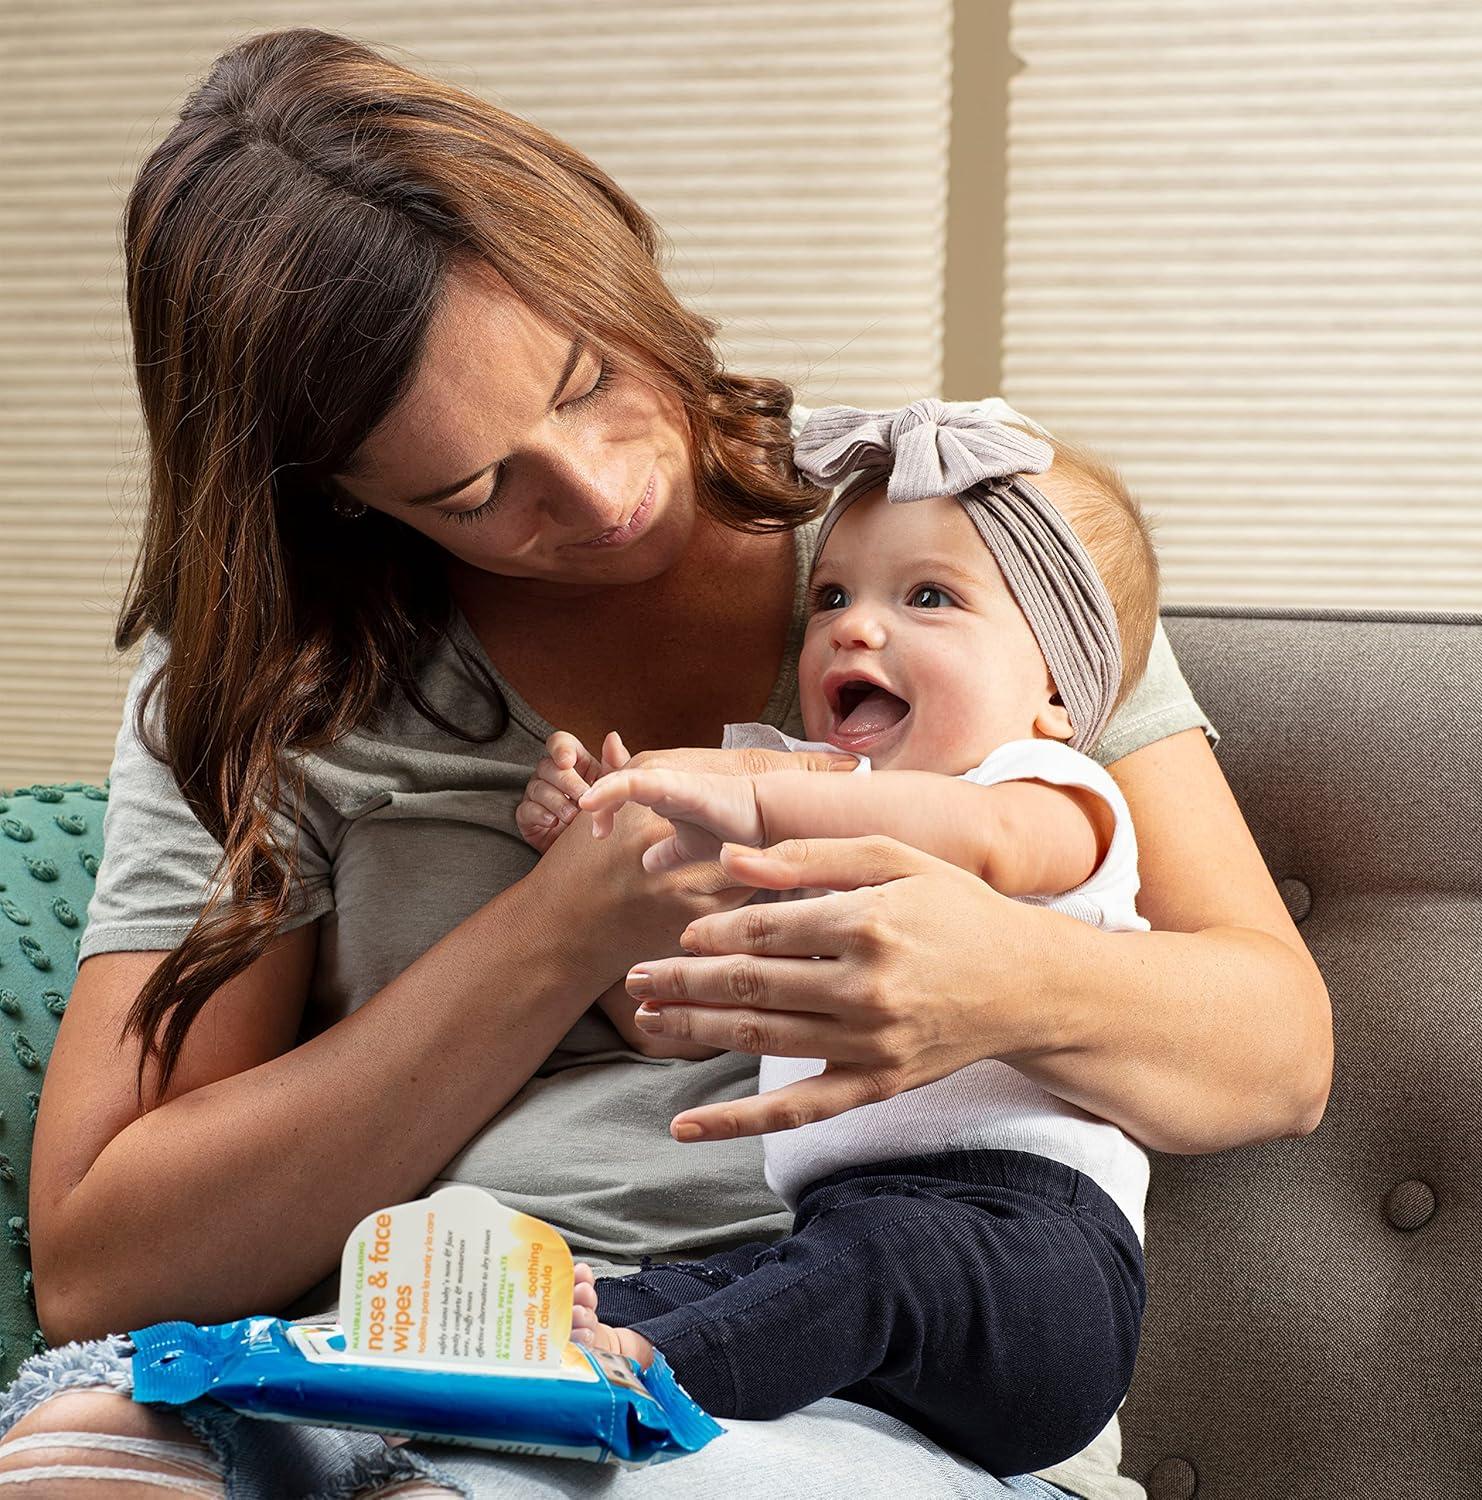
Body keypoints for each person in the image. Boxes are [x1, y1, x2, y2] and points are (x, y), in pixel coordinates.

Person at [0, 26, 1331, 1500]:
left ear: (618, 260)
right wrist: (562, 925)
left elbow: (1277, 1054)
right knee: (73, 1461)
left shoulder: (949, 539)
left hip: (863, 1377)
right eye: (475, 487)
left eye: (586, 379)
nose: (602, 493)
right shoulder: (275, 675)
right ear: (339, 497)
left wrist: (1004, 980)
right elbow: (106, 1266)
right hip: (425, 1348)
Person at [519, 399, 1157, 1480]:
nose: (855, 629)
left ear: (1054, 688)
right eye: (832, 597)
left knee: (874, 1260)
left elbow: (984, 840)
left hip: (1038, 1263)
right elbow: (672, 1017)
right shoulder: (818, 841)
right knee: (711, 1284)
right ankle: (554, 1343)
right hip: (846, 1237)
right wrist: (594, 838)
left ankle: (648, 1379)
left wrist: (765, 792)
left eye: (929, 597)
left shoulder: (1047, 789)